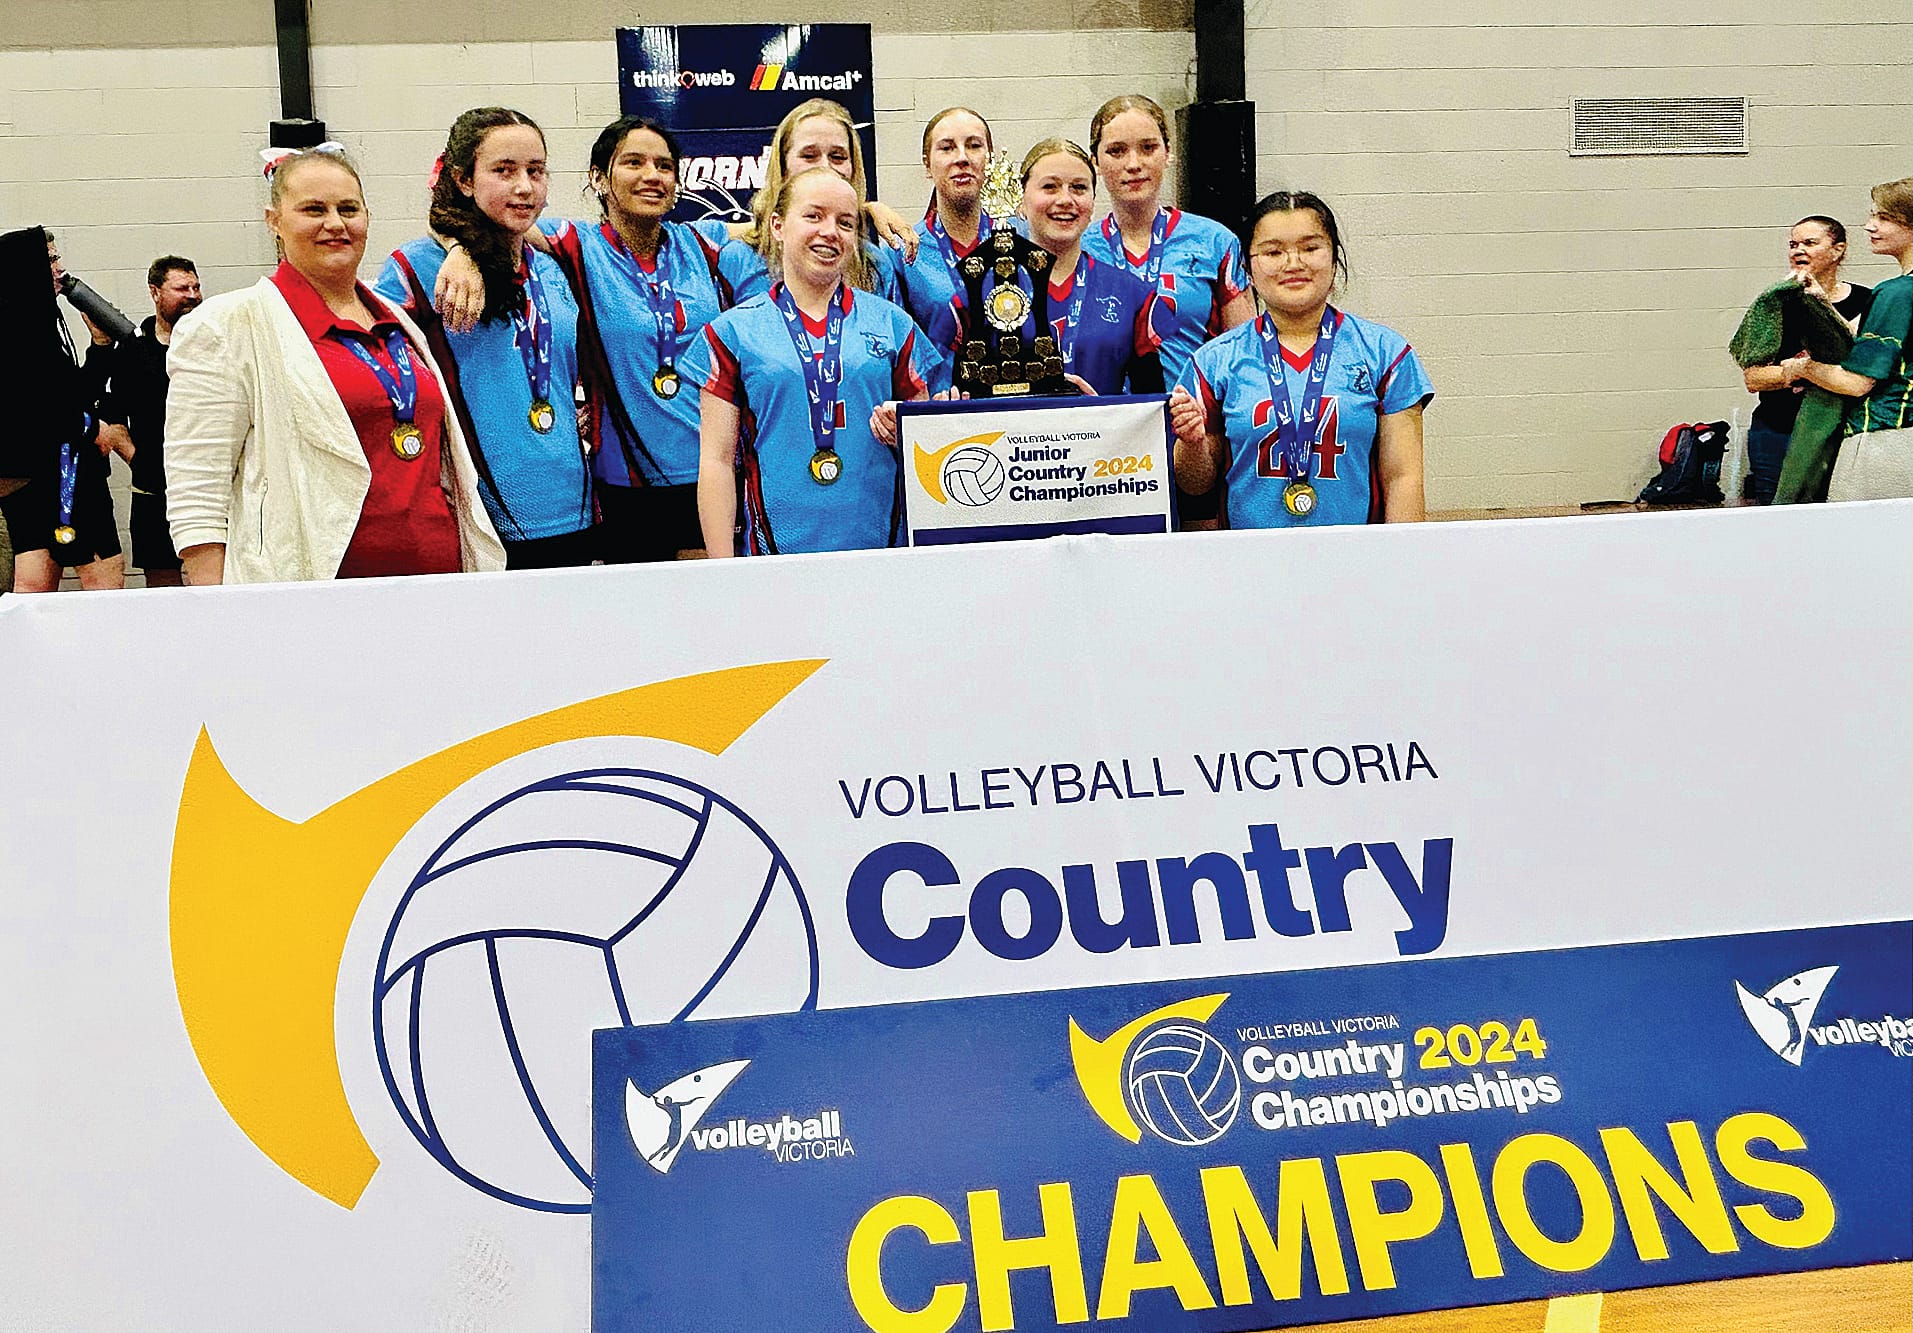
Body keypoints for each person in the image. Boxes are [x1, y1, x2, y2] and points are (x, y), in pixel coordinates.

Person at [164, 148, 503, 584]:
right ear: (274, 221)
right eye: (313, 210)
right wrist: (221, 609)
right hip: (314, 590)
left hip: (435, 579)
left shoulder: (396, 320)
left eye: (348, 209)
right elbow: (198, 493)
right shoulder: (227, 325)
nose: (335, 224)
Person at [434, 116, 734, 562]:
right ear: (598, 178)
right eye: (634, 162)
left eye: (664, 165)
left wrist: (868, 211)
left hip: (713, 469)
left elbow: (787, 222)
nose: (652, 175)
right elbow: (492, 222)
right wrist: (457, 248)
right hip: (625, 483)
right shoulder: (574, 244)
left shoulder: (704, 241)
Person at [375, 108, 593, 569]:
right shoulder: (415, 270)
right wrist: (459, 248)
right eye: (504, 171)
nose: (524, 187)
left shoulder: (551, 268)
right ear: (464, 180)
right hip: (478, 517)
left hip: (573, 504)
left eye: (536, 171)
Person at [687, 168, 936, 556]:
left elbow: (925, 446)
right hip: (776, 560)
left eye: (846, 222)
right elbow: (717, 462)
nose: (830, 231)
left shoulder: (893, 324)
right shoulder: (731, 334)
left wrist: (913, 428)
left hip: (882, 555)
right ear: (777, 226)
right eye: (814, 215)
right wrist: (725, 572)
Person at [1170, 190, 1431, 527]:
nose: (1293, 264)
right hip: (1250, 565)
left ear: (1334, 259)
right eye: (1273, 252)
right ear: (1248, 268)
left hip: (1356, 564)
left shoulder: (1386, 353)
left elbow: (1403, 478)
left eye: (1310, 248)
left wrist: (1403, 566)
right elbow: (1195, 486)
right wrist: (1191, 444)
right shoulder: (1212, 363)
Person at [0, 232, 131, 592]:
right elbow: (32, 409)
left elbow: (71, 398)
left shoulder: (37, 323)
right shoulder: (16, 329)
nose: (61, 269)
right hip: (56, 473)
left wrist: (101, 347)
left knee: (34, 584)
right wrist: (92, 429)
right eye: (51, 261)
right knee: (102, 580)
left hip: (46, 474)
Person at [1784, 178, 1913, 502]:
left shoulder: (1897, 292)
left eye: (1883, 217)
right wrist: (1825, 306)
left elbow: (1857, 382)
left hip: (1886, 440)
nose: (1870, 226)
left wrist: (1804, 368)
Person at [708, 99, 906, 308]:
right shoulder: (737, 259)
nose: (825, 167)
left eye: (838, 157)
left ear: (853, 167)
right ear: (782, 167)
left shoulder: (874, 264)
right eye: (809, 155)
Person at [1015, 138, 1166, 397]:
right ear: (1023, 198)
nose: (1065, 199)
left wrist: (1099, 416)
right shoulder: (983, 289)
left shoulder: (1133, 295)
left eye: (1079, 188)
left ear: (1093, 202)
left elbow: (1150, 403)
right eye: (1050, 187)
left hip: (1103, 437)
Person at [1738, 217, 1873, 503]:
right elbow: (1754, 378)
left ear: (1838, 250)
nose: (1798, 250)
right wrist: (1803, 371)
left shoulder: (1868, 301)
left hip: (1842, 431)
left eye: (1809, 243)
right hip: (1778, 431)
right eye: (1793, 244)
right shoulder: (1775, 302)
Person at [92, 255, 203, 585]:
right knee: (162, 582)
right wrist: (140, 462)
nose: (193, 295)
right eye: (182, 288)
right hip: (153, 490)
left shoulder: (213, 342)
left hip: (206, 484)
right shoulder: (132, 349)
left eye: (196, 287)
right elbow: (111, 417)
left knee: (216, 579)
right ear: (155, 292)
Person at [888, 106, 994, 386]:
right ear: (927, 164)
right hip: (937, 412)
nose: (962, 158)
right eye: (947, 148)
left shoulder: (1016, 244)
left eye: (974, 146)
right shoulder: (904, 252)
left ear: (989, 159)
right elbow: (898, 349)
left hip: (1011, 403)